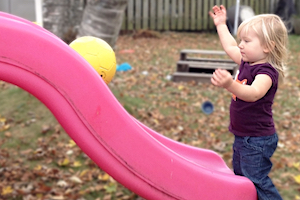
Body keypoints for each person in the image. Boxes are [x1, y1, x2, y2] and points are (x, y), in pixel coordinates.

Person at [209, 5, 288, 200]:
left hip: (257, 139)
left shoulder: (267, 72)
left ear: (267, 46)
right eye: (241, 40)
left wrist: (230, 84)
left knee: (255, 180)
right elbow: (229, 46)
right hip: (243, 135)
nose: (240, 45)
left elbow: (253, 93)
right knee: (242, 178)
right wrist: (220, 24)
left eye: (246, 41)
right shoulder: (247, 61)